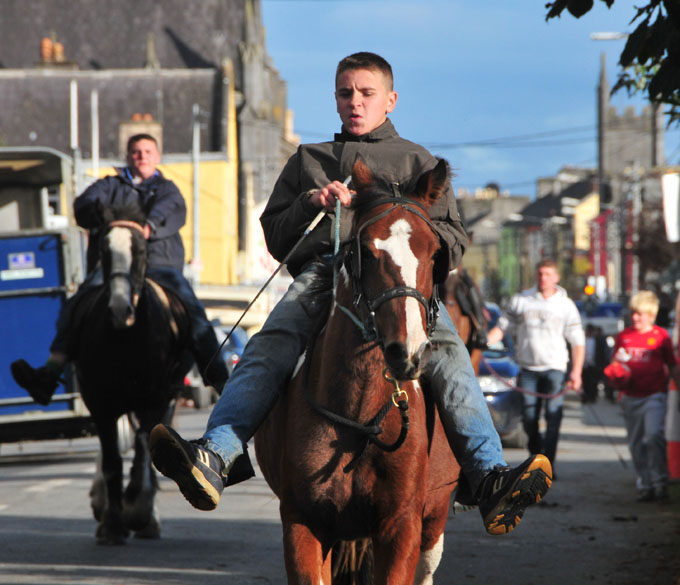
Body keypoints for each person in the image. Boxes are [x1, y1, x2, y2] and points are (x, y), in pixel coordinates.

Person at [149, 51, 552, 535]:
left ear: (391, 99)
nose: (355, 103)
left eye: (366, 93)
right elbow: (277, 237)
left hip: (398, 284)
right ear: (336, 99)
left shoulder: (420, 162)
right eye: (345, 93)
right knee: (269, 344)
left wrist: (405, 226)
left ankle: (487, 475)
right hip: (325, 276)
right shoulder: (309, 160)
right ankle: (217, 454)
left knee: (449, 355)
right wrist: (311, 202)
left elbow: (454, 239)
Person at [10, 134, 228, 403]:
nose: (142, 156)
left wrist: (147, 225)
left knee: (192, 311)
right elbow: (84, 205)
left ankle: (221, 381)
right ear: (127, 156)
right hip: (113, 263)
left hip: (158, 265)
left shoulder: (167, 189)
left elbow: (171, 209)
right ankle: (49, 375)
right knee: (78, 304)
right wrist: (100, 215)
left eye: (148, 151)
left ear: (157, 157)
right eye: (136, 152)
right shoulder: (109, 185)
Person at [487, 258, 585, 473]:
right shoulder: (522, 300)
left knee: (553, 415)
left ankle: (547, 465)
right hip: (528, 369)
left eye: (548, 274)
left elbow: (577, 341)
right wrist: (483, 342)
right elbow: (502, 328)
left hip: (555, 368)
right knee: (529, 417)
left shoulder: (565, 305)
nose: (543, 278)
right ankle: (536, 454)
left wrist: (576, 372)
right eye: (540, 273)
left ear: (556, 277)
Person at [607, 290, 680, 502]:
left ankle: (660, 482)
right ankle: (645, 484)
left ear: (651, 314)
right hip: (630, 396)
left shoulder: (660, 336)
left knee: (653, 435)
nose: (635, 317)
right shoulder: (624, 336)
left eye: (640, 313)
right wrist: (615, 372)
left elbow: (672, 364)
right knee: (636, 442)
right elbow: (616, 363)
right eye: (633, 313)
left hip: (654, 395)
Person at [581, 324, 609, 403]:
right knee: (585, 382)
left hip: (595, 365)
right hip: (584, 365)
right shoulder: (583, 340)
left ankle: (592, 397)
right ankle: (585, 396)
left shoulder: (598, 340)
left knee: (594, 382)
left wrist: (602, 364)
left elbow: (602, 353)